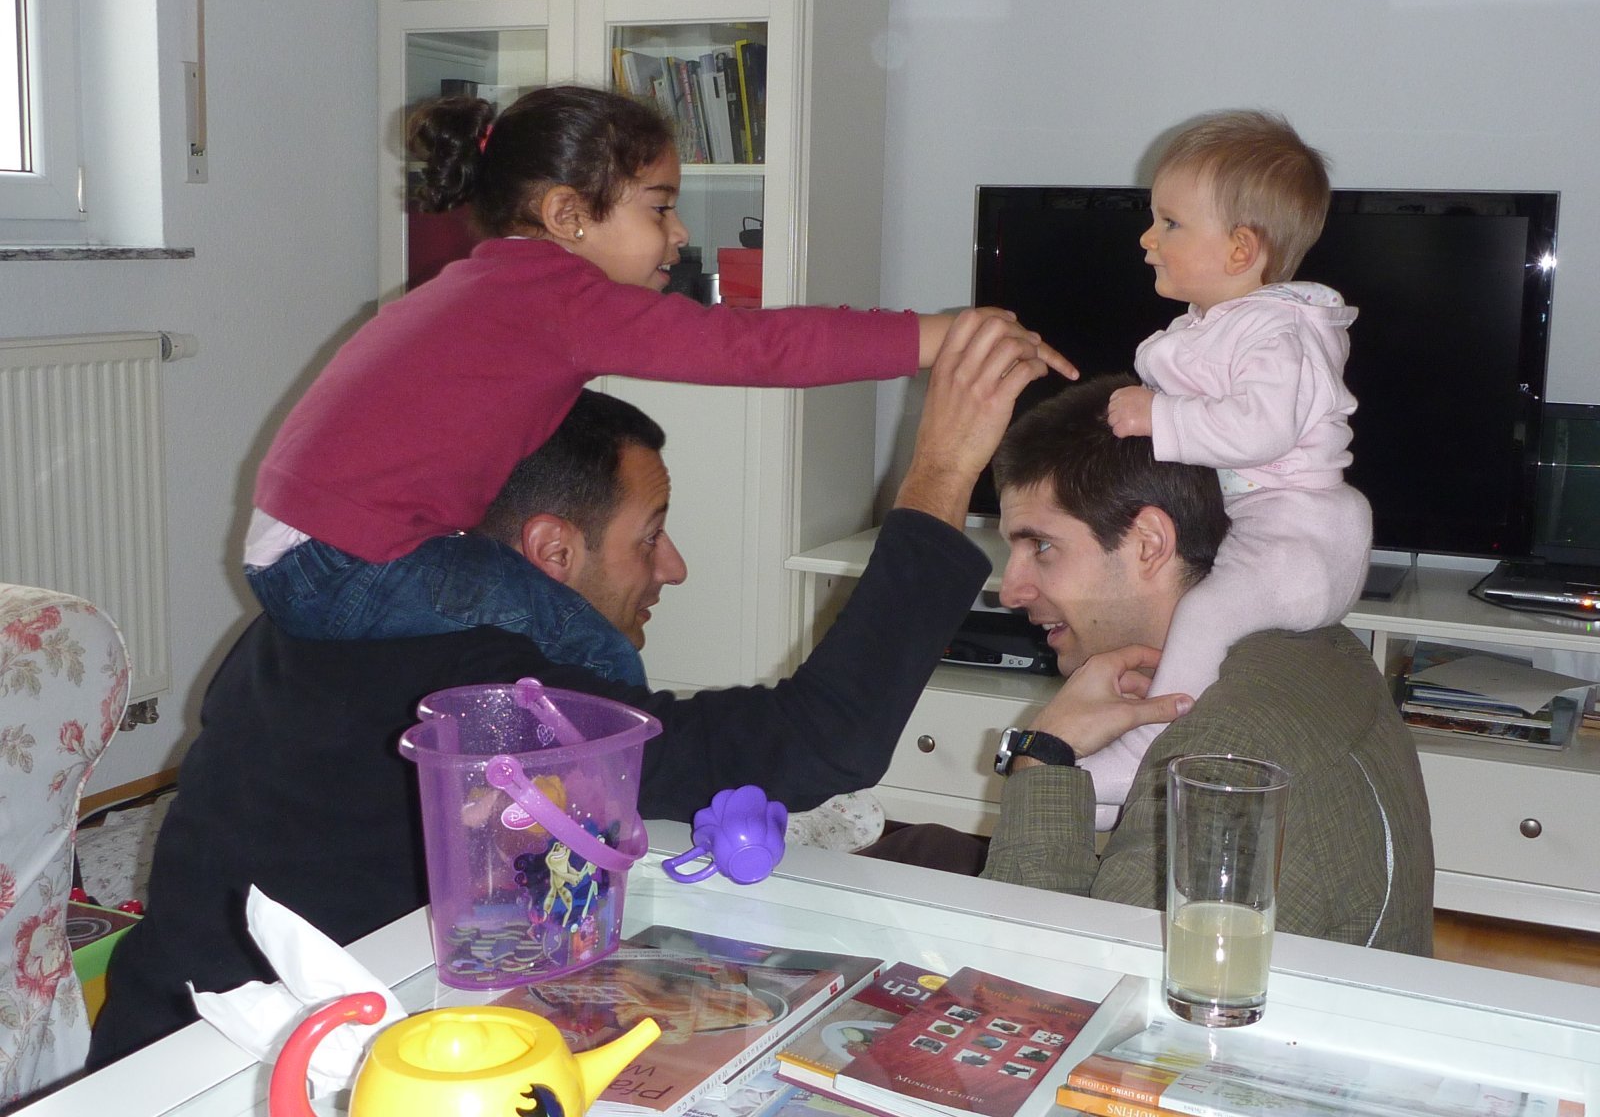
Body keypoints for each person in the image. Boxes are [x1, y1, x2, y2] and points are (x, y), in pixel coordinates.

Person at [88, 309, 1056, 1067]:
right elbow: (821, 738)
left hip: (154, 1026)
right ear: (551, 550)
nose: (672, 567)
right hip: (236, 1077)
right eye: (650, 534)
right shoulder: (491, 696)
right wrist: (941, 471)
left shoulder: (329, 617)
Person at [245, 83, 1071, 686]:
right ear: (568, 216)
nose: (678, 235)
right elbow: (755, 348)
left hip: (319, 548)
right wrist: (937, 336)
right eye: (659, 208)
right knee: (595, 647)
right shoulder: (554, 296)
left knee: (523, 629)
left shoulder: (493, 286)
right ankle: (609, 816)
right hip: (345, 560)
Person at [976, 375, 1433, 954]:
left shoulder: (1217, 756)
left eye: (1041, 546)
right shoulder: (1315, 644)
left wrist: (1043, 753)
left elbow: (1050, 978)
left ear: (1148, 542)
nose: (1010, 590)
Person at [1083, 110, 1372, 829]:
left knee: (1205, 612)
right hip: (1282, 527)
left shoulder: (1276, 332)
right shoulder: (1234, 322)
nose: (1148, 239)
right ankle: (1136, 762)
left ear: (1241, 248)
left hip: (1297, 534)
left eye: (1170, 223)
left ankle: (1146, 750)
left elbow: (1261, 427)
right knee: (1196, 618)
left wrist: (1162, 416)